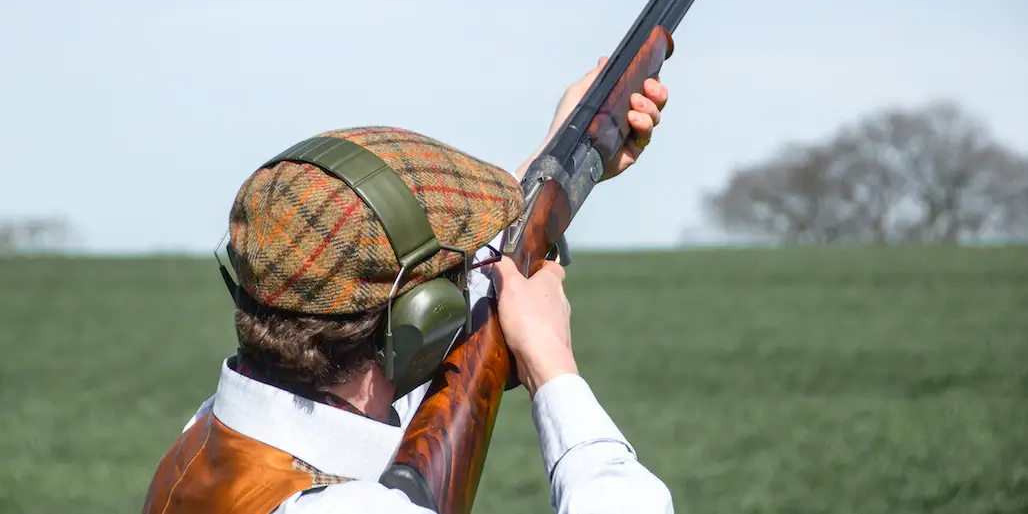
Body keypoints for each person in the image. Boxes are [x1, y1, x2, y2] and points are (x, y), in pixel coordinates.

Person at [141, 57, 674, 514]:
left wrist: (564, 153)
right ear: (421, 324)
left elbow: (368, 290)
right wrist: (552, 367)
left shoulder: (210, 437)